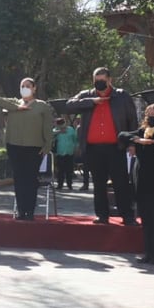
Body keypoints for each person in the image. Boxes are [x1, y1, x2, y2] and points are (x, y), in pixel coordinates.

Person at [64, 67, 138, 225]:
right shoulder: (87, 95)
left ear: (110, 80)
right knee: (98, 183)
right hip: (93, 148)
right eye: (96, 81)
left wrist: (132, 143)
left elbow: (132, 120)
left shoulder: (122, 96)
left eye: (102, 81)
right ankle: (102, 215)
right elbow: (69, 105)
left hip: (116, 147)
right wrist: (91, 102)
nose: (99, 84)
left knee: (121, 182)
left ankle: (127, 216)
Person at [120, 104, 154, 265]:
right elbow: (122, 135)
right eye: (148, 114)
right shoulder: (143, 131)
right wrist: (137, 140)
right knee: (146, 219)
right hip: (142, 181)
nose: (150, 117)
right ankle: (148, 253)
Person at [0, 78, 54, 221]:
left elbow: (48, 128)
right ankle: (21, 211)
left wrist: (47, 146)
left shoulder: (42, 106)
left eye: (28, 86)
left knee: (31, 180)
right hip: (14, 146)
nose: (25, 88)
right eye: (22, 86)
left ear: (34, 89)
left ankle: (30, 211)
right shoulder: (14, 103)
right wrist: (17, 107)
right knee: (19, 179)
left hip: (34, 147)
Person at [53, 117, 77, 190]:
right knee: (60, 170)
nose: (62, 126)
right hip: (60, 153)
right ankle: (60, 185)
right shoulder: (56, 130)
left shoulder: (71, 129)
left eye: (62, 124)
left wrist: (75, 148)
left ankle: (69, 185)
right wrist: (59, 131)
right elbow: (50, 135)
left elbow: (75, 139)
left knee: (69, 170)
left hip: (70, 152)